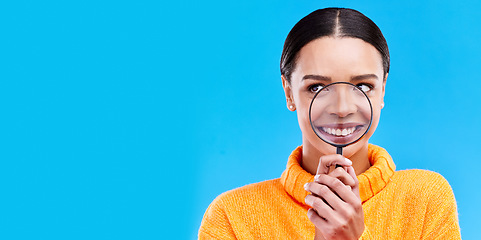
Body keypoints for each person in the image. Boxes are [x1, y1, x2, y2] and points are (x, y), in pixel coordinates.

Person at [198, 8, 461, 240]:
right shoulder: (231, 218)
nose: (342, 108)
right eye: (317, 87)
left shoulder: (425, 200)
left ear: (382, 91)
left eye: (362, 86)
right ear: (289, 92)